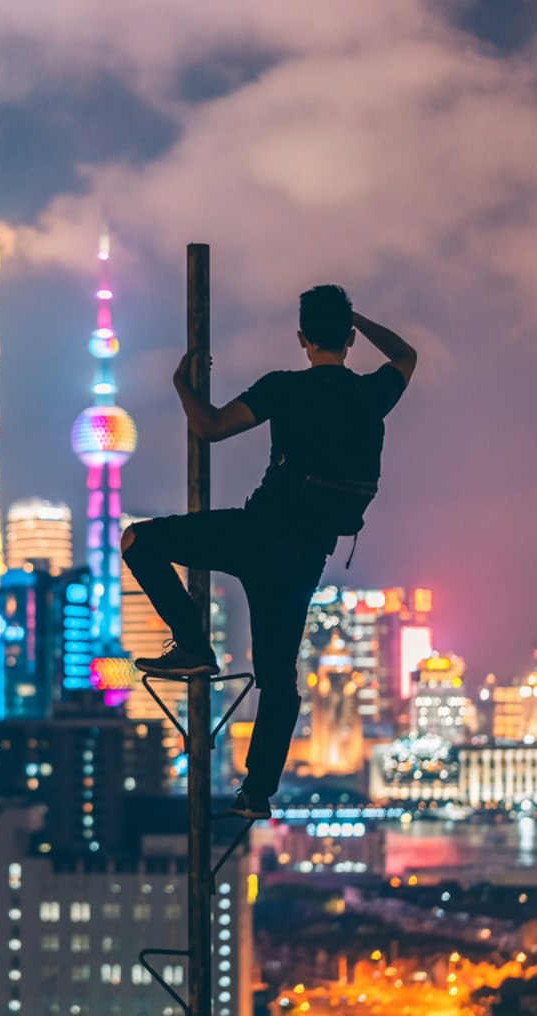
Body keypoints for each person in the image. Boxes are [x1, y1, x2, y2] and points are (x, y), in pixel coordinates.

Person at [121, 284, 416, 819]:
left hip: (257, 534)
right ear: (350, 338)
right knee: (278, 679)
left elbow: (208, 427)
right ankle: (256, 794)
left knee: (139, 540)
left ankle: (192, 646)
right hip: (307, 558)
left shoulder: (283, 387)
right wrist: (355, 318)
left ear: (301, 338)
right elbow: (405, 355)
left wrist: (180, 383)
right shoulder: (373, 394)